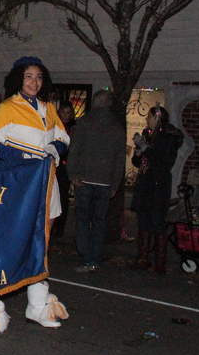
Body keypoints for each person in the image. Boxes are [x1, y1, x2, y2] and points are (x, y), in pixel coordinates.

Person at [0, 56, 70, 332]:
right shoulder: (7, 108)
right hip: (19, 185)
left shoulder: (49, 108)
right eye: (29, 76)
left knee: (42, 242)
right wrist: (25, 155)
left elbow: (64, 138)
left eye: (39, 77)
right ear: (19, 78)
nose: (34, 82)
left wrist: (55, 147)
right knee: (11, 241)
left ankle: (37, 305)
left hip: (47, 183)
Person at [65, 90, 126, 272]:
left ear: (94, 104)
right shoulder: (117, 128)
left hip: (84, 179)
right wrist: (114, 184)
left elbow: (74, 150)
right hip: (104, 182)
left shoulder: (84, 123)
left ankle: (85, 256)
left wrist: (72, 174)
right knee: (99, 222)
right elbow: (120, 159)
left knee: (83, 220)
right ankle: (94, 258)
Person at [130, 105, 184, 274]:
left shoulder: (168, 138)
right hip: (145, 185)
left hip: (158, 186)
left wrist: (147, 150)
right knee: (144, 222)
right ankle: (143, 258)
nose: (147, 119)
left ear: (158, 119)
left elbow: (164, 162)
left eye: (150, 117)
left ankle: (160, 262)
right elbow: (139, 162)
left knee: (158, 223)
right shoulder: (149, 135)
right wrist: (139, 152)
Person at [51, 100, 77, 238]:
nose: (66, 115)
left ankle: (60, 225)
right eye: (63, 112)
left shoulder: (74, 128)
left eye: (68, 113)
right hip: (55, 162)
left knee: (63, 195)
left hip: (66, 164)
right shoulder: (55, 126)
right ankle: (54, 223)